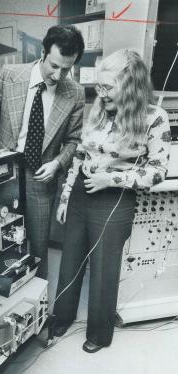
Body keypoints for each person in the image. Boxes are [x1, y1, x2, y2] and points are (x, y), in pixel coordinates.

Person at [53, 49, 171, 352]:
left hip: (114, 198)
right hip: (82, 192)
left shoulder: (154, 118)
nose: (100, 93)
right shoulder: (100, 109)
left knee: (104, 269)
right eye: (99, 86)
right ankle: (61, 317)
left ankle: (99, 335)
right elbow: (80, 154)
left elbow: (157, 172)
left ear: (130, 86)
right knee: (70, 262)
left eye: (108, 87)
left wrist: (111, 178)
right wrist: (67, 195)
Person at [0, 26, 85, 279]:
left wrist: (58, 163)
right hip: (3, 174)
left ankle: (38, 306)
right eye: (54, 66)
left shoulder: (75, 93)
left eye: (66, 69)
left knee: (38, 249)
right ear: (42, 52)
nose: (59, 75)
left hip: (40, 177)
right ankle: (1, 297)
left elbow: (74, 141)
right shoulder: (10, 74)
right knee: (0, 240)